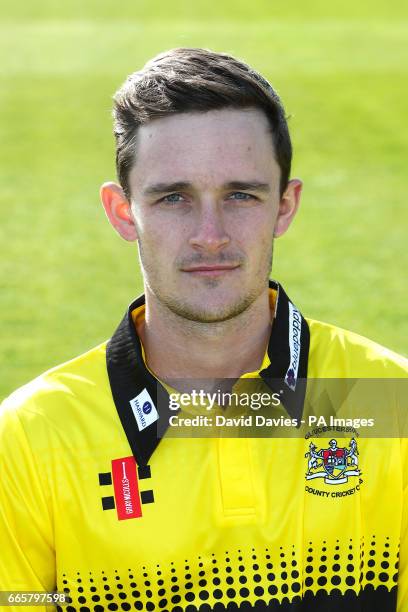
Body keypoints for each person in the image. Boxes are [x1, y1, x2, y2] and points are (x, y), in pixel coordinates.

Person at [0, 47, 407, 612]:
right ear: (123, 212)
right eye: (174, 198)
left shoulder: (393, 401)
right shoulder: (31, 437)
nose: (210, 235)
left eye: (241, 195)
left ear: (285, 206)